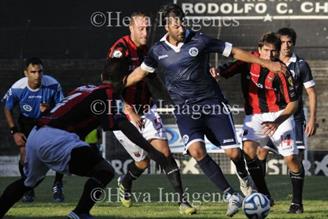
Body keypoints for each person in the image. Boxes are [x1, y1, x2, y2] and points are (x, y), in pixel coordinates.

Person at [124, 4, 286, 217]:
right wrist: (114, 86)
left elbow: (235, 52)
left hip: (212, 105)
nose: (181, 28)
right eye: (176, 25)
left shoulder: (201, 40)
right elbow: (139, 74)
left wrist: (267, 64)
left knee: (234, 153)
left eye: (183, 23)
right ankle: (230, 196)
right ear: (167, 26)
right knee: (196, 151)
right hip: (184, 111)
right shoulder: (157, 51)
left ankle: (244, 179)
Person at [0, 58, 177, 219]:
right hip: (57, 138)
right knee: (105, 171)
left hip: (37, 134)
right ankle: (80, 213)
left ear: (102, 75)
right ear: (125, 80)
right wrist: (152, 151)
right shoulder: (108, 94)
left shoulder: (85, 88)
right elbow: (117, 124)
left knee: (27, 182)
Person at [107, 11, 196, 214]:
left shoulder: (147, 50)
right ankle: (125, 181)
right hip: (123, 114)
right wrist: (128, 109)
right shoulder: (119, 50)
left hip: (147, 111)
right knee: (143, 162)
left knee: (164, 154)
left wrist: (172, 101)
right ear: (131, 28)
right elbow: (110, 85)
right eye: (141, 28)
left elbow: (152, 79)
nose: (145, 31)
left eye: (147, 27)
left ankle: (183, 202)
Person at [216, 32, 305, 214]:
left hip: (279, 115)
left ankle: (297, 203)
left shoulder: (282, 71)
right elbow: (226, 70)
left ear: (278, 52)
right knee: (248, 151)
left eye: (274, 52)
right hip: (254, 116)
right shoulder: (247, 60)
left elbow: (293, 104)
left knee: (291, 159)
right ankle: (265, 195)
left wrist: (277, 122)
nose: (270, 55)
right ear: (259, 49)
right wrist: (216, 72)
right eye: (266, 50)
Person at [257, 28, 317, 185]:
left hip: (294, 117)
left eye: (289, 42)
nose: (286, 45)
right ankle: (261, 194)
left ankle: (296, 200)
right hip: (271, 115)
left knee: (293, 158)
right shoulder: (266, 63)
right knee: (261, 151)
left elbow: (311, 92)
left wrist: (312, 119)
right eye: (282, 42)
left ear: (294, 43)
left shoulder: (301, 65)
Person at [2, 57, 65, 202]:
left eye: (40, 71)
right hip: (27, 122)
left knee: (57, 151)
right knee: (24, 154)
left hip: (48, 120)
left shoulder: (53, 85)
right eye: (33, 72)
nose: (37, 75)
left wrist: (49, 110)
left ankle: (57, 184)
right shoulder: (18, 88)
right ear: (26, 73)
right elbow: (7, 108)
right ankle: (27, 188)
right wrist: (14, 131)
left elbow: (63, 107)